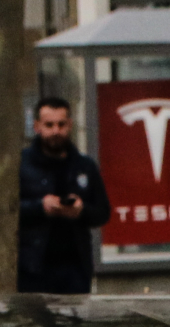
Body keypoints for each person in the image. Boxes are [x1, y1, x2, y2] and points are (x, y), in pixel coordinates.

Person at [17, 96, 112, 294]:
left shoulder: (84, 165)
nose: (55, 132)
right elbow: (7, 212)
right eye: (49, 125)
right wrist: (40, 207)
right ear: (37, 126)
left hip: (75, 266)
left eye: (61, 125)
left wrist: (80, 210)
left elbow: (103, 211)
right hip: (34, 267)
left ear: (70, 125)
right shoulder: (22, 165)